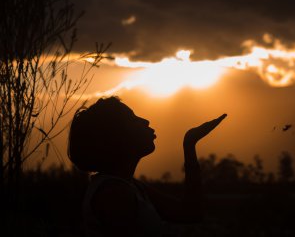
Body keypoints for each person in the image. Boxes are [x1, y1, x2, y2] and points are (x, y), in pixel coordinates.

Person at [67, 96, 227, 237]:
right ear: (117, 136)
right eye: (133, 119)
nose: (145, 121)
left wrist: (190, 144)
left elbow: (191, 213)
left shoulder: (131, 186)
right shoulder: (114, 194)